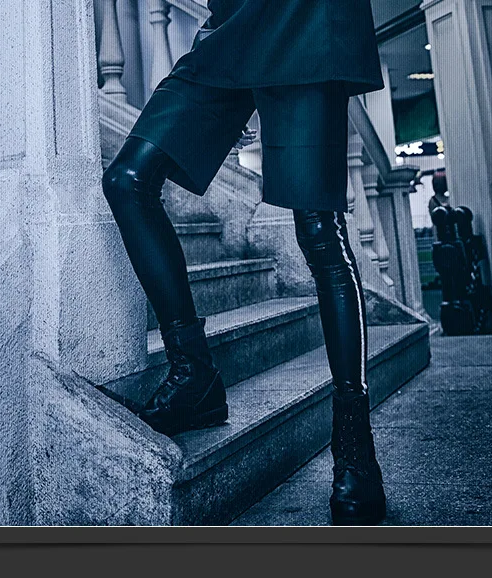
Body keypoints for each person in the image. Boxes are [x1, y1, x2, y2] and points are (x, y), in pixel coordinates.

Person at [101, 0, 386, 526]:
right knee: (127, 179)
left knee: (318, 230)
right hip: (232, 26)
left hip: (305, 18)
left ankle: (354, 440)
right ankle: (195, 375)